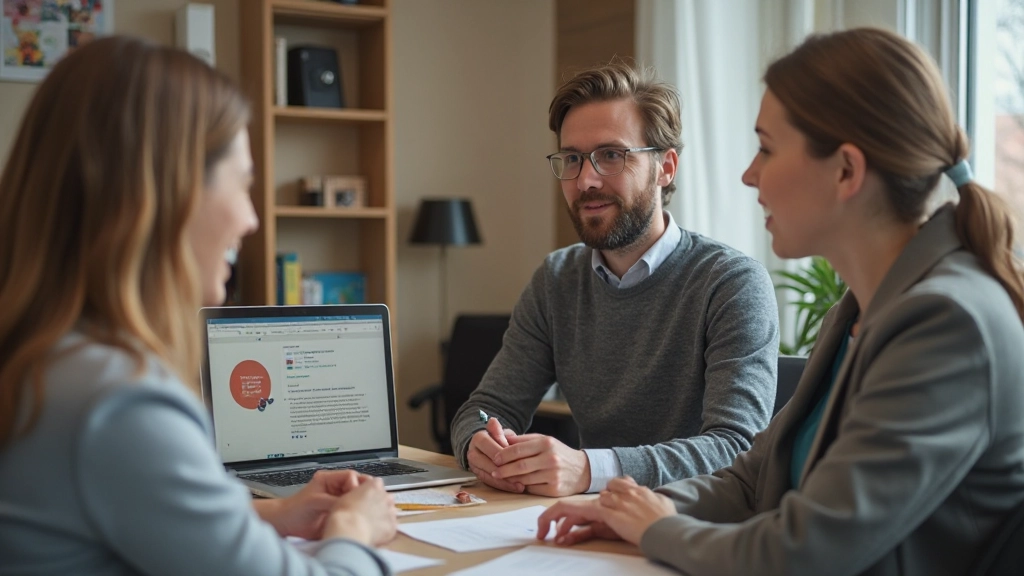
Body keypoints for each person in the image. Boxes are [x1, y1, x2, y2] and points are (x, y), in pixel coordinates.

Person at [537, 27, 1024, 576]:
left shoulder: (946, 322)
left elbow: (807, 552)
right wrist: (625, 509)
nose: (749, 174)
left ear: (846, 170)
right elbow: (754, 479)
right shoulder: (858, 310)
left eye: (766, 148)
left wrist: (658, 529)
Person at [0, 36, 397, 575]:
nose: (251, 220)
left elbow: (127, 515)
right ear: (166, 195)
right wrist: (354, 529)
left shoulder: (45, 363)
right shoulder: (119, 402)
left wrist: (274, 513)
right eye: (241, 184)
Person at [450, 60, 780, 497]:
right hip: (590, 523)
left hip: (693, 532)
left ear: (666, 167)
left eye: (611, 156)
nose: (586, 180)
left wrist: (588, 470)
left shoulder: (731, 283)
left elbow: (737, 449)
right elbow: (486, 407)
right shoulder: (556, 280)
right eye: (572, 158)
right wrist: (480, 444)